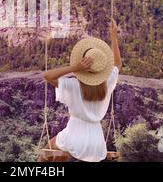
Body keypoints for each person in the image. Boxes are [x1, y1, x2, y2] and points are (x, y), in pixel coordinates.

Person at [38, 19, 122, 162]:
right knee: (57, 153)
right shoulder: (107, 83)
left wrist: (74, 68)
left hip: (75, 135)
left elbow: (47, 76)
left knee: (46, 155)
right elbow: (118, 64)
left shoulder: (75, 86)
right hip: (97, 142)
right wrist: (114, 37)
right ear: (101, 69)